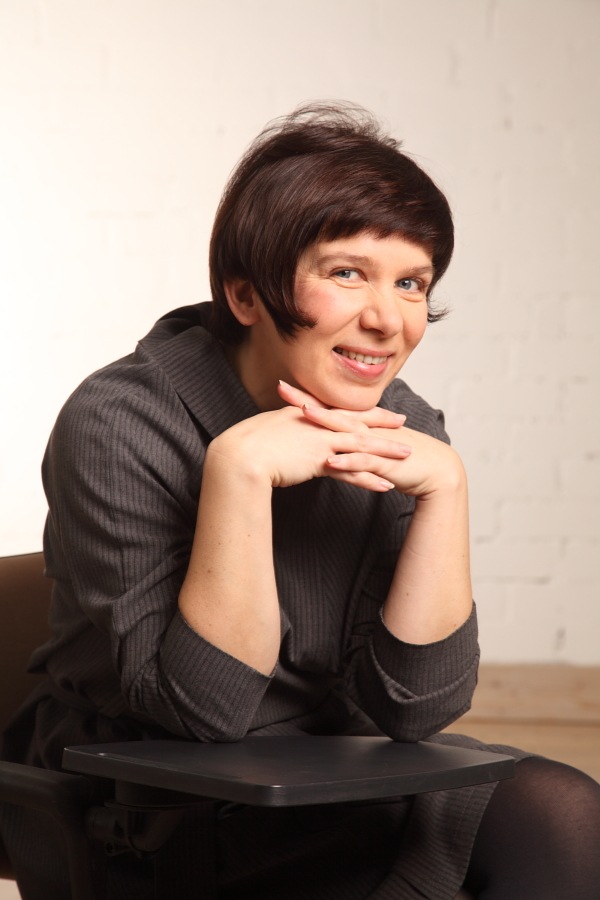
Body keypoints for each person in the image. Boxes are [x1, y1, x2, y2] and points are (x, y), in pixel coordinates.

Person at [1, 102, 599, 899]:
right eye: (347, 273)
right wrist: (239, 472)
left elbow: (418, 712)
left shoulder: (403, 426)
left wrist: (447, 491)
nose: (386, 320)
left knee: (565, 813)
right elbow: (205, 714)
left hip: (335, 777)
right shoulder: (118, 421)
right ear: (246, 295)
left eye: (411, 283)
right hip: (153, 806)